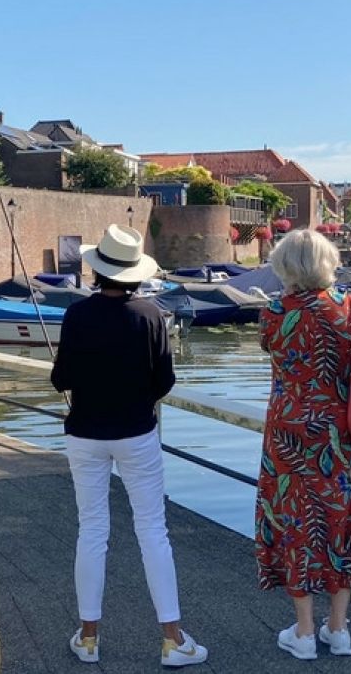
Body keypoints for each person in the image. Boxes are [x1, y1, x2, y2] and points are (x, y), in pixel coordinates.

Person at [50, 223, 207, 668]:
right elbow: (165, 381)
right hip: (137, 434)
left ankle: (89, 637)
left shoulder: (77, 316)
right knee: (152, 531)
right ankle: (173, 640)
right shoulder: (153, 316)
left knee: (92, 529)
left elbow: (62, 378)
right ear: (136, 272)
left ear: (98, 271)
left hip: (84, 435)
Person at [256, 229, 351, 660]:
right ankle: (339, 629)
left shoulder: (273, 311)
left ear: (285, 266)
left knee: (295, 525)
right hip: (341, 435)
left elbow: (271, 350)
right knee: (342, 525)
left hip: (289, 435)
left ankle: (304, 633)